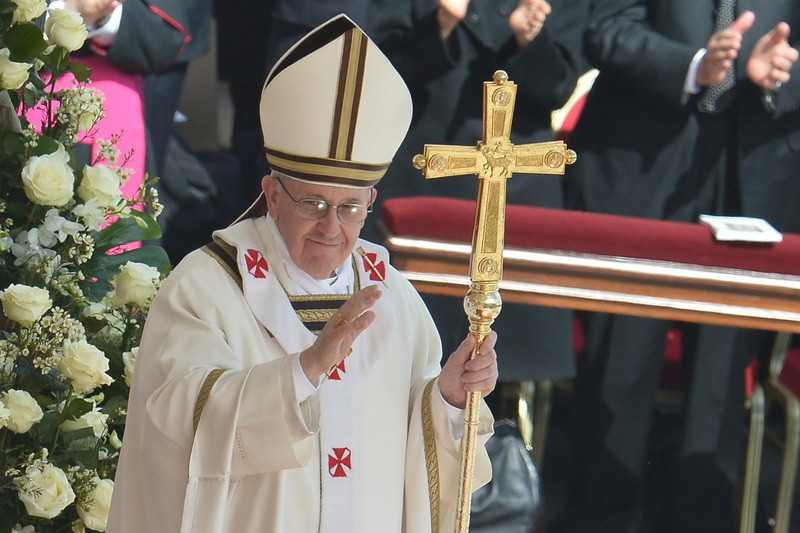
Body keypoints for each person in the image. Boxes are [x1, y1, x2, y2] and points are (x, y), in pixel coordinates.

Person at [107, 14, 499, 532]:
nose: (332, 228)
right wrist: (303, 371)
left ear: (372, 202)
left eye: (351, 208)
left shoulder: (395, 299)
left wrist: (447, 397)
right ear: (271, 195)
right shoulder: (205, 287)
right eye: (313, 203)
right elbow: (176, 427)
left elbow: (422, 461)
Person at [554, 2, 800, 532]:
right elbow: (606, 26)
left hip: (756, 175)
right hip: (641, 168)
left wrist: (779, 70)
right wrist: (695, 67)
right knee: (619, 371)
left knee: (718, 388)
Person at [366, 0, 590, 417]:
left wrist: (529, 39)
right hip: (426, 174)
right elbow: (378, 69)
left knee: (500, 367)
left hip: (516, 185)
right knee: (401, 351)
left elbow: (558, 85)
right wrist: (445, 22)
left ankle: (498, 472)